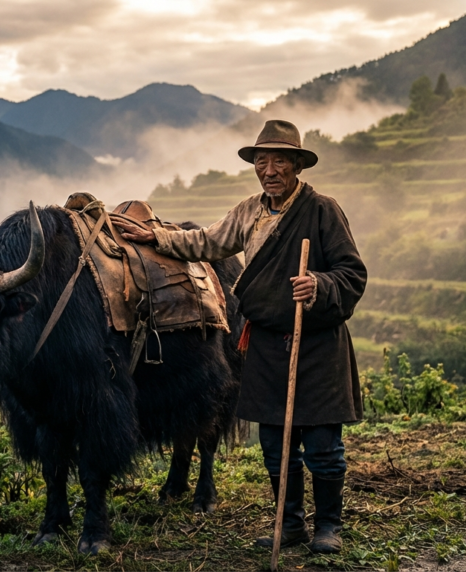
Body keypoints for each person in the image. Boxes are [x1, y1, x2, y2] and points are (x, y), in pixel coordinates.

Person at [114, 120, 367, 554]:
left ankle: (328, 527)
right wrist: (155, 236)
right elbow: (206, 243)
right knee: (275, 444)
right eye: (262, 161)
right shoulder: (249, 211)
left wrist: (320, 286)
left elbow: (352, 272)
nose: (269, 170)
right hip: (267, 342)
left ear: (297, 166)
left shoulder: (323, 209)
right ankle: (289, 525)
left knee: (323, 445)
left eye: (279, 161)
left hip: (318, 342)